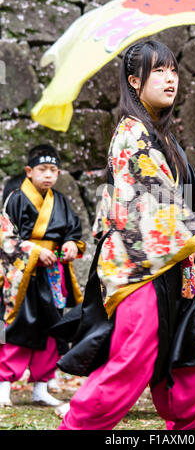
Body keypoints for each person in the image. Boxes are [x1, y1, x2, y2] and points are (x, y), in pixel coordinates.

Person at [56, 40, 195, 431]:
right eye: (158, 70)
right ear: (134, 81)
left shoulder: (166, 140)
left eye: (173, 70)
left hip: (178, 271)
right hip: (139, 269)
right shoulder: (130, 136)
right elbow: (161, 206)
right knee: (131, 363)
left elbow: (191, 195)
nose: (169, 78)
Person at [0, 144, 85, 407]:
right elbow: (5, 236)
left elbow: (73, 231)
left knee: (52, 327)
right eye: (42, 169)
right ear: (29, 171)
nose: (48, 175)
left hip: (52, 274)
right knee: (17, 327)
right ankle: (4, 386)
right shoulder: (15, 198)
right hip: (22, 274)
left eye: (53, 170)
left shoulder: (60, 200)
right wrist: (34, 251)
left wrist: (72, 244)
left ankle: (41, 385)